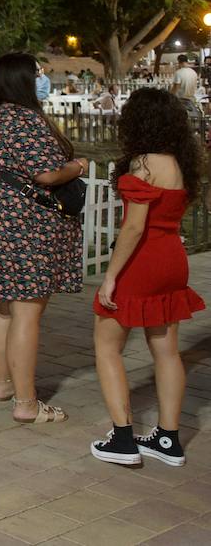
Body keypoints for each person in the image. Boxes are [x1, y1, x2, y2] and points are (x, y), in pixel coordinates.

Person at [0, 52, 86, 423]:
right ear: (22, 80)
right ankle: (26, 403)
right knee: (27, 312)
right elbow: (47, 175)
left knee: (3, 308)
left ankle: (4, 384)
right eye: (36, 74)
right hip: (26, 226)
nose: (41, 79)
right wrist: (77, 166)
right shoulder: (23, 118)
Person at [90, 89, 206, 466]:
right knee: (167, 352)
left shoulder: (141, 164)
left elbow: (134, 228)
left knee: (107, 346)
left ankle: (123, 439)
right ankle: (168, 440)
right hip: (173, 258)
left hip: (143, 261)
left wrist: (110, 277)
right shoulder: (179, 163)